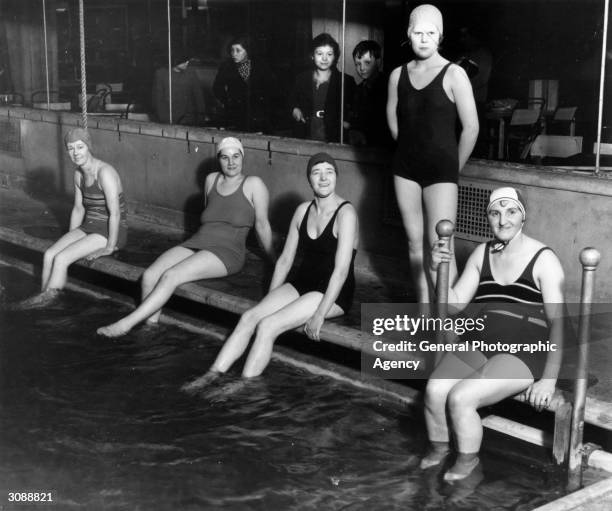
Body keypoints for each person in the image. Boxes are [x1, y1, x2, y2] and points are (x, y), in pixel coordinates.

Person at [423, 187, 565, 481]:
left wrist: (549, 380)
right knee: (435, 391)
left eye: (511, 212)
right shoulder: (482, 253)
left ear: (523, 217)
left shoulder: (543, 259)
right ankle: (439, 450)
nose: (503, 220)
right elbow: (452, 305)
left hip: (523, 353)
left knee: (461, 398)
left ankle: (467, 462)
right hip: (482, 342)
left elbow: (560, 324)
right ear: (487, 217)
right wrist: (435, 268)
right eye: (495, 213)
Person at [184, 152, 358, 385]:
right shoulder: (303, 210)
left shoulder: (346, 214)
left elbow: (341, 270)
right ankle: (211, 375)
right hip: (303, 283)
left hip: (332, 292)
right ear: (309, 179)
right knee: (250, 317)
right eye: (317, 173)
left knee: (268, 326)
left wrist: (319, 314)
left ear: (337, 176)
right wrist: (271, 298)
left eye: (329, 172)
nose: (323, 178)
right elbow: (285, 260)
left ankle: (242, 385)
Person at [97, 137, 274, 338]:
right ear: (219, 159)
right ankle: (149, 328)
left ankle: (125, 324)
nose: (231, 162)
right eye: (225, 157)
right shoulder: (211, 180)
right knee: (149, 276)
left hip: (227, 252)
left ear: (243, 157)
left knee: (171, 276)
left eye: (236, 156)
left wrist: (273, 259)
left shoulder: (254, 184)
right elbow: (211, 218)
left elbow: (262, 225)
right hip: (198, 241)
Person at [386, 4, 479, 303]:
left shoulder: (454, 74)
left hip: (441, 172)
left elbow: (472, 128)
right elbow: (392, 116)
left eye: (431, 32)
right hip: (405, 169)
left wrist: (453, 168)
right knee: (415, 245)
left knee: (441, 249)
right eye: (418, 32)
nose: (424, 38)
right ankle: (426, 315)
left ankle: (445, 323)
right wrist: (409, 146)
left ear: (440, 36)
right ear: (408, 35)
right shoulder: (397, 75)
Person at [16, 128, 128, 308]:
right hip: (89, 226)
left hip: (110, 230)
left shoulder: (105, 173)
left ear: (88, 147)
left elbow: (115, 214)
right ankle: (44, 294)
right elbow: (78, 208)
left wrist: (109, 247)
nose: (75, 153)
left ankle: (49, 301)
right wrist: (71, 237)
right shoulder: (78, 174)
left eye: (80, 147)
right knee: (50, 254)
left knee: (62, 259)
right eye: (70, 148)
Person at [289, 33, 356, 142]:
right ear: (312, 55)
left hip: (333, 135)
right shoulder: (301, 78)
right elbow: (291, 101)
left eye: (329, 54)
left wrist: (347, 123)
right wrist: (294, 109)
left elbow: (354, 109)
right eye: (319, 53)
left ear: (335, 57)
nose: (324, 58)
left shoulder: (346, 81)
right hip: (306, 134)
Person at [212, 35, 276, 133]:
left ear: (247, 51)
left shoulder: (261, 66)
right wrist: (227, 102)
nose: (234, 54)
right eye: (232, 50)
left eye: (238, 50)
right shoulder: (226, 67)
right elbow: (217, 88)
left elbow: (270, 89)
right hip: (235, 115)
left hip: (257, 116)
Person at [348, 40, 390, 146]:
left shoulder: (388, 85)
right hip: (363, 147)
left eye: (367, 63)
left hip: (382, 145)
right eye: (358, 64)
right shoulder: (358, 89)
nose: (362, 68)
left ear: (378, 62)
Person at [152, 52, 206, 125]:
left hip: (188, 120)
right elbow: (158, 99)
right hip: (168, 120)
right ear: (175, 61)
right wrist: (164, 119)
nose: (187, 63)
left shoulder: (191, 74)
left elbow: (199, 98)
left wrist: (200, 119)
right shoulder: (161, 74)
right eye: (184, 61)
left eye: (187, 60)